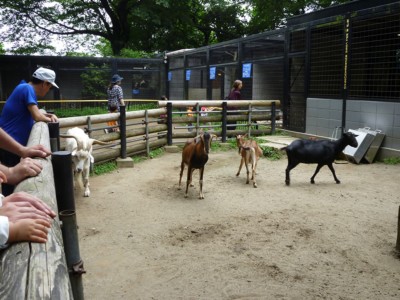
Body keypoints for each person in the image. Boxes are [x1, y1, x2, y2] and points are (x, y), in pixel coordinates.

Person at [0, 67, 58, 196]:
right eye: (50, 87)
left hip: (9, 144)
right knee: (10, 183)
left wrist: (46, 115)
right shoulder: (27, 88)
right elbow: (37, 116)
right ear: (44, 83)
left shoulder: (23, 88)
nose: (49, 90)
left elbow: (33, 113)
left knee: (9, 180)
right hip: (10, 145)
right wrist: (51, 119)